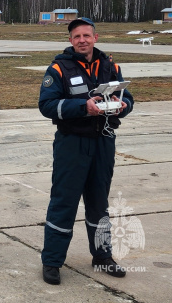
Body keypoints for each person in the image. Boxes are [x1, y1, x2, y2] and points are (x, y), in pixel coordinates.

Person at [38, 17, 135, 285]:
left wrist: (122, 105)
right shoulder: (59, 68)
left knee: (98, 202)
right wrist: (83, 107)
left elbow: (128, 98)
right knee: (64, 202)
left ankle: (103, 257)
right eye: (77, 36)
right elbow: (46, 105)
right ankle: (52, 261)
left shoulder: (110, 65)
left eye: (87, 36)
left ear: (95, 37)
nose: (82, 40)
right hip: (72, 143)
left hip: (104, 141)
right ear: (70, 40)